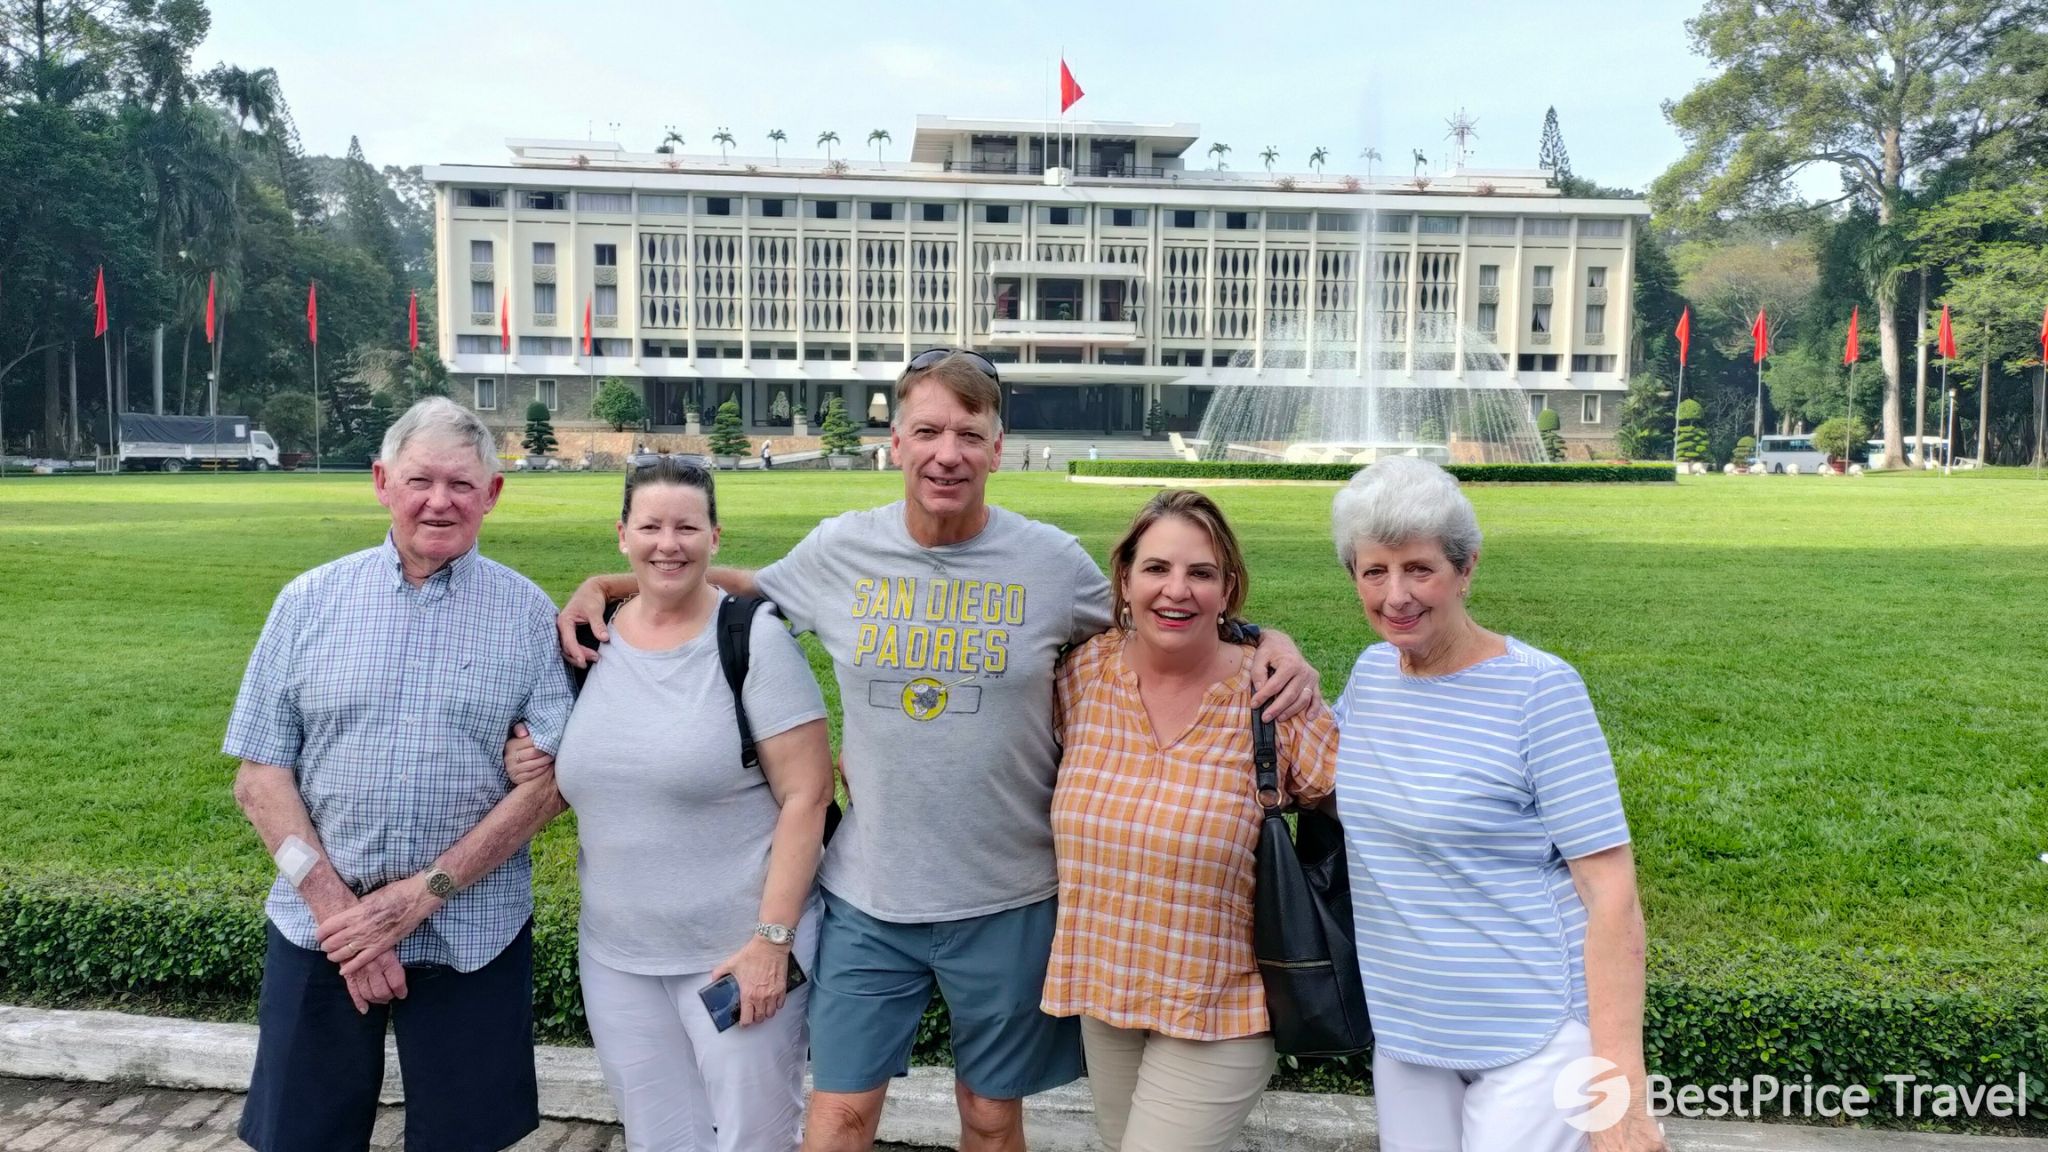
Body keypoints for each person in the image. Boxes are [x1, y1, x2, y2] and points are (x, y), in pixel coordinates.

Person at [557, 350, 1323, 1152]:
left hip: (1008, 896)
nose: (946, 453)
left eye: (968, 433)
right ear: (896, 442)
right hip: (869, 896)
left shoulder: (1051, 564)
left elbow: (1163, 613)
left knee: (991, 1121)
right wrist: (612, 586)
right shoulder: (839, 551)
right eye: (926, 430)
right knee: (839, 1117)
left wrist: (1270, 637)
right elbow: (731, 587)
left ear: (997, 447)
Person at [223, 397, 574, 1152]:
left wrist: (421, 897)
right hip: (320, 931)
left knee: (466, 1140)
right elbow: (259, 779)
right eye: (420, 480)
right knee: (301, 1137)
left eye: (461, 484)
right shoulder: (307, 602)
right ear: (382, 481)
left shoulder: (527, 615)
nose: (439, 501)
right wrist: (340, 916)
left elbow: (548, 787)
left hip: (472, 930)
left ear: (493, 494)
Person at [1326, 457, 1662, 1152]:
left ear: (1466, 568)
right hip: (1410, 1030)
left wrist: (1619, 1089)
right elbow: (1318, 779)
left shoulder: (1539, 691)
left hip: (1534, 1033)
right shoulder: (1371, 675)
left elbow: (1610, 891)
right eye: (1374, 572)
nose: (1396, 596)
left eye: (1420, 569)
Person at [538, 457, 832, 1151]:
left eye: (686, 527)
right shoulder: (591, 638)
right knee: (658, 1140)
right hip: (617, 958)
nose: (667, 543)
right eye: (650, 526)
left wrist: (772, 942)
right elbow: (578, 759)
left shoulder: (750, 638)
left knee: (751, 1140)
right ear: (621, 535)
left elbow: (808, 794)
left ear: (715, 537)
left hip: (735, 956)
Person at [1042, 490, 1338, 1152]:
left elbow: (1358, 804)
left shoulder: (1272, 696)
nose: (1177, 590)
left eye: (1201, 573)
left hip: (1221, 1006)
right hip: (1106, 993)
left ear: (1229, 588)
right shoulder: (1081, 675)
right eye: (1156, 569)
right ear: (1123, 578)